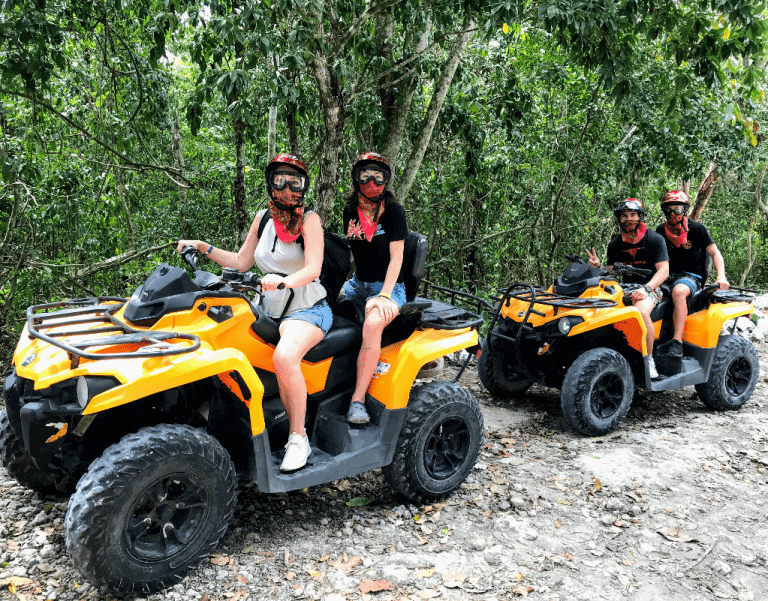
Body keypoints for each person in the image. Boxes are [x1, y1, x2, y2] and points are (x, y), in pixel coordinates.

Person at [178, 153, 331, 472]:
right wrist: (203, 247)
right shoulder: (263, 219)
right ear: (270, 183)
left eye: (294, 181)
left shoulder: (310, 221)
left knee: (285, 358)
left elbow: (314, 268)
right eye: (279, 180)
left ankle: (298, 439)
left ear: (304, 187)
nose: (286, 188)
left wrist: (284, 281)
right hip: (267, 309)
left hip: (307, 309)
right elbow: (240, 262)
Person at [342, 152, 407, 424]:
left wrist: (383, 295)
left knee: (372, 324)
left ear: (387, 180)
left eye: (378, 176)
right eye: (365, 175)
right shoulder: (350, 211)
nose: (371, 181)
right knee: (319, 305)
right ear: (356, 178)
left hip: (389, 285)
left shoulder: (393, 212)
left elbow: (397, 258)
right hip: (358, 282)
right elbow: (352, 253)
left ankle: (357, 399)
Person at [586, 198, 669, 379]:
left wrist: (646, 289)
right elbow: (611, 274)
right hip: (622, 288)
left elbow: (663, 271)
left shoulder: (654, 239)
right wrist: (597, 267)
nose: (628, 219)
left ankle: (649, 360)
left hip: (650, 287)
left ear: (639, 217)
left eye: (632, 215)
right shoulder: (615, 244)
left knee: (639, 312)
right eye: (624, 215)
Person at [655, 190, 729, 357]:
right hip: (667, 274)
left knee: (679, 291)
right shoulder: (661, 231)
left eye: (677, 209)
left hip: (691, 276)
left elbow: (715, 253)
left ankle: (677, 342)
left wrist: (721, 276)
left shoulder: (696, 229)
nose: (673, 214)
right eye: (669, 209)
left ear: (685, 210)